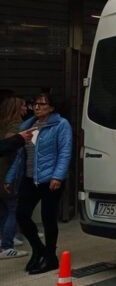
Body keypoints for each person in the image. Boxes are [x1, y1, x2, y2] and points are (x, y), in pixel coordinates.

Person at [4, 92, 72, 274]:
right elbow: (20, 156)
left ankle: (50, 256)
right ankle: (38, 249)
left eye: (42, 104)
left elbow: (65, 152)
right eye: (35, 103)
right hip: (29, 178)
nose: (37, 107)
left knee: (48, 219)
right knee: (22, 215)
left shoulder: (61, 124)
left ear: (52, 107)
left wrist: (58, 177)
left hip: (50, 179)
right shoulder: (29, 125)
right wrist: (10, 177)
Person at [0, 97, 30, 259]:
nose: (27, 108)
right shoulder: (16, 127)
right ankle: (7, 245)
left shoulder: (1, 124)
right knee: (12, 208)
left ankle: (4, 238)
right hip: (7, 173)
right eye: (24, 105)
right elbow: (16, 154)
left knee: (3, 209)